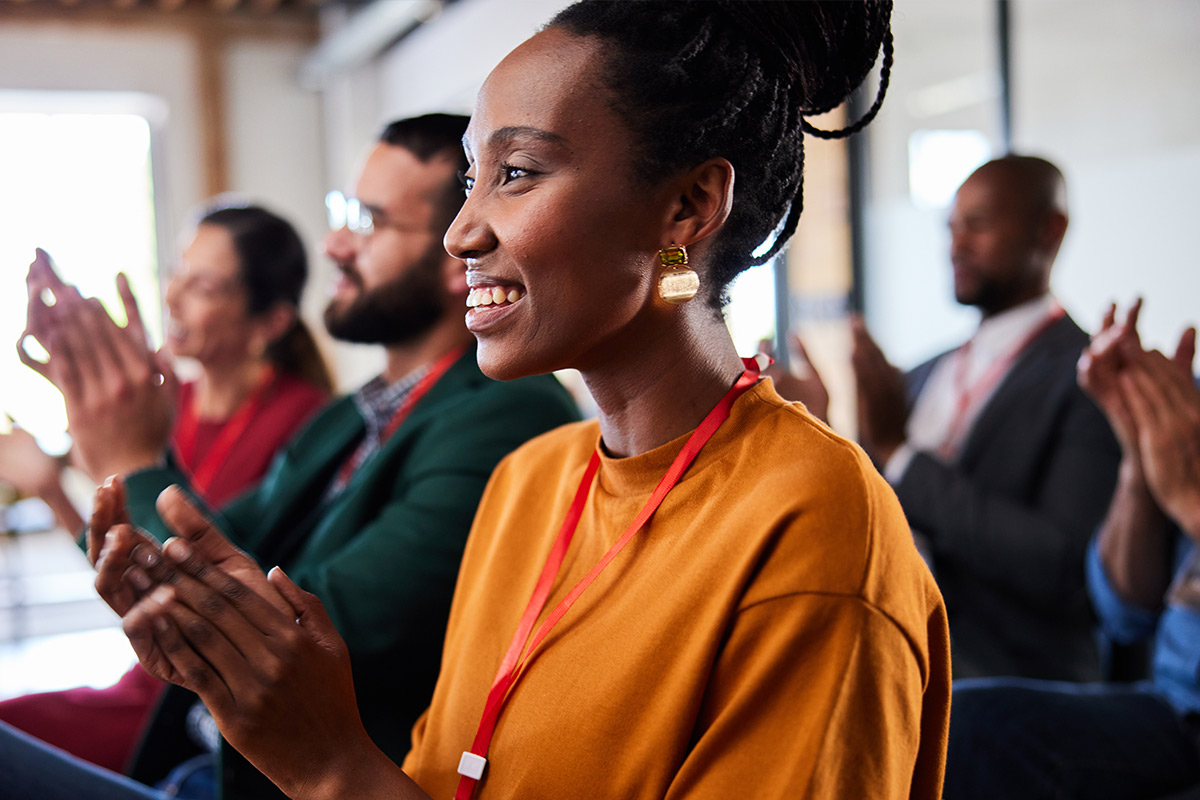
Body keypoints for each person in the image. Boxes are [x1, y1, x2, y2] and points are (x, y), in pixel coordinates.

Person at [0, 3, 951, 798]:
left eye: (517, 174)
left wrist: (330, 763)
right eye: (469, 178)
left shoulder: (815, 524)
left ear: (686, 210)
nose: (461, 231)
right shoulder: (530, 483)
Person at [5, 113, 580, 799]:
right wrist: (102, 417)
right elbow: (215, 549)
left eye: (368, 221)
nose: (335, 243)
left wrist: (131, 458)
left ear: (460, 253)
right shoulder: (353, 414)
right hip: (206, 765)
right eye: (345, 211)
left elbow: (290, 636)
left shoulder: (506, 411)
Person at [0, 204, 333, 772]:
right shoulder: (166, 402)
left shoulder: (302, 423)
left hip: (185, 698)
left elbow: (171, 580)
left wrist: (53, 490)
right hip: (149, 668)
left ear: (270, 322)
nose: (173, 295)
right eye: (178, 270)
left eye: (202, 284)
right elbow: (124, 561)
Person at [849, 155, 1120, 681]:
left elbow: (1062, 564)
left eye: (978, 225)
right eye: (950, 228)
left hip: (1009, 679)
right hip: (884, 645)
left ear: (1050, 229)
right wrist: (820, 426)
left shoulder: (1090, 377)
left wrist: (898, 450)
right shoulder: (922, 373)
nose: (955, 247)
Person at [945, 302, 1200, 799]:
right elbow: (1124, 610)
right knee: (960, 728)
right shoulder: (1190, 405)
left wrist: (1190, 504)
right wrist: (1138, 463)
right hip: (1173, 709)